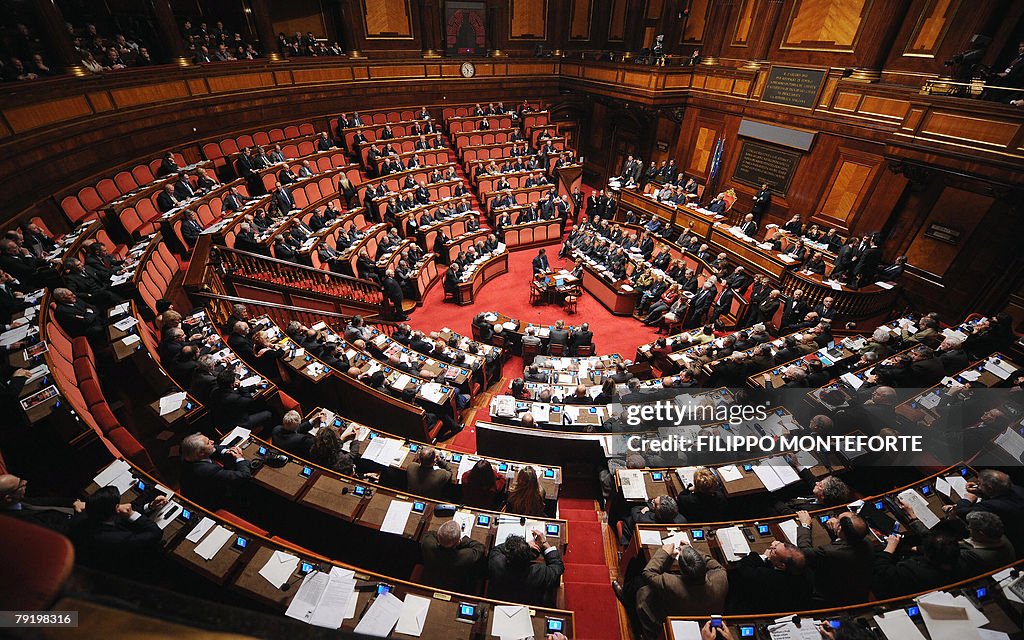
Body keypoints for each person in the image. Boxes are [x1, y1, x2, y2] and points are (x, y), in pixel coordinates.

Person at [634, 543, 728, 638]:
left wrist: (664, 552)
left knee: (639, 583)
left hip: (677, 624)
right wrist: (692, 553)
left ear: (681, 571)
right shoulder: (721, 577)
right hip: (707, 622)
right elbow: (715, 565)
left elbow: (648, 572)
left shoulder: (671, 583)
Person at [68, 486, 164, 571]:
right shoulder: (120, 538)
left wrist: (150, 506)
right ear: (116, 509)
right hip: (119, 564)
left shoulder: (83, 516)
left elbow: (117, 516)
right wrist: (132, 514)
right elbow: (156, 533)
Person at [795, 509, 873, 605]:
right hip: (858, 591)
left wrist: (805, 525)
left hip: (834, 598)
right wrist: (834, 530)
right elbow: (843, 543)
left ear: (840, 530)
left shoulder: (829, 552)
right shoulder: (866, 542)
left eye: (837, 520)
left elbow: (804, 552)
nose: (834, 519)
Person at [727, 541, 811, 614]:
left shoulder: (769, 578)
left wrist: (763, 556)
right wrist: (778, 546)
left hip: (752, 608)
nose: (771, 547)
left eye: (774, 551)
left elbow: (742, 567)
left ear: (781, 565)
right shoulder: (802, 569)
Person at [488, 530, 564, 606]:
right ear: (529, 557)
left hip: (501, 602)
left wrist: (521, 547)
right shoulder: (540, 573)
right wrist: (544, 544)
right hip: (530, 604)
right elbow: (557, 566)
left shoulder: (496, 562)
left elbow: (498, 549)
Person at [179, 432, 252, 510]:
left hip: (195, 491)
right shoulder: (209, 470)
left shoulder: (188, 456)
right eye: (208, 443)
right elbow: (244, 476)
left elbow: (214, 448)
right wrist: (239, 458)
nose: (212, 441)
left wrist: (227, 451)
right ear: (201, 453)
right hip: (210, 503)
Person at [0, 473, 84, 534]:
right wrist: (80, 515)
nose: (25, 482)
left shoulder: (16, 501)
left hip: (68, 514)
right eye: (20, 484)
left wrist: (73, 502)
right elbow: (55, 531)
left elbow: (46, 501)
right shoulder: (18, 521)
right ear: (8, 498)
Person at [420, 519, 486, 593]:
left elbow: (430, 533)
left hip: (430, 581)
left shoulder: (427, 543)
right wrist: (461, 540)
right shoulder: (466, 556)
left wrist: (444, 536)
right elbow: (480, 547)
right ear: (457, 542)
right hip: (455, 588)